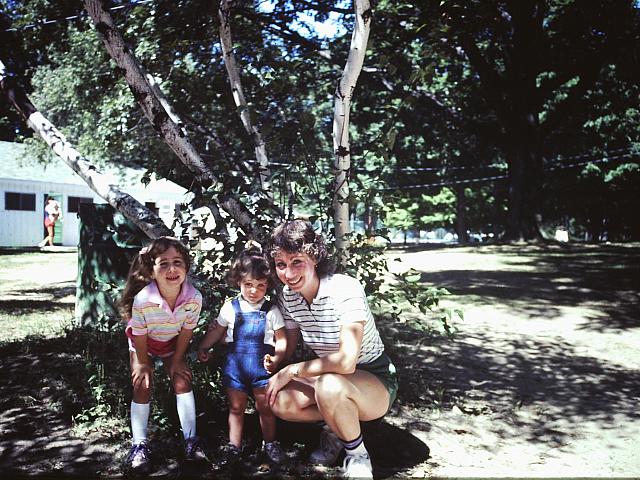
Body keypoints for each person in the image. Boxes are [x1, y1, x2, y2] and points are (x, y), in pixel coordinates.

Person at [265, 220, 398, 479]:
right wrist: (274, 361)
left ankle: (357, 455)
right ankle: (339, 427)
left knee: (329, 386)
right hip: (329, 375)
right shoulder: (288, 296)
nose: (288, 273)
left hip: (374, 378)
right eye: (281, 264)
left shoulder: (344, 288)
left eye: (297, 262)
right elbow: (288, 343)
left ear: (314, 257)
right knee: (279, 401)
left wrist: (291, 371)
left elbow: (347, 361)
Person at [120, 236, 207, 474]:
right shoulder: (143, 299)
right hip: (143, 343)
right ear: (152, 271)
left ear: (186, 267)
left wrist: (177, 360)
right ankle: (139, 446)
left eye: (178, 262)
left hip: (170, 342)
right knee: (143, 384)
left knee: (182, 380)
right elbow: (139, 335)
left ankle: (191, 441)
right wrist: (143, 364)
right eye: (164, 264)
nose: (172, 269)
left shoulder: (194, 298)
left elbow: (186, 331)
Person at [197, 241, 287, 465]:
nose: (254, 291)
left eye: (260, 286)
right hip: (235, 368)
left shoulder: (271, 311)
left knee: (265, 408)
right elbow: (217, 330)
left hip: (262, 369)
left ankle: (270, 444)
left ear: (268, 285)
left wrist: (277, 358)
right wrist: (204, 346)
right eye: (248, 284)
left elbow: (282, 339)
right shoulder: (230, 307)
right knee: (236, 408)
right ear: (239, 281)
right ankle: (233, 447)